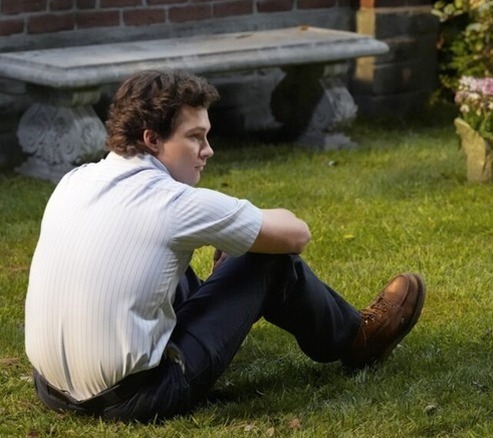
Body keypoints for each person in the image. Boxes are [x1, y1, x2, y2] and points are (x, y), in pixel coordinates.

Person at [24, 69, 426, 422]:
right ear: (151, 139)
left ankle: (215, 310)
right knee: (267, 262)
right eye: (195, 138)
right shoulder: (173, 203)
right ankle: (356, 338)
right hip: (139, 396)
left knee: (151, 256)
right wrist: (244, 244)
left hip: (52, 389)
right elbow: (295, 234)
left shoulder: (74, 181)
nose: (208, 151)